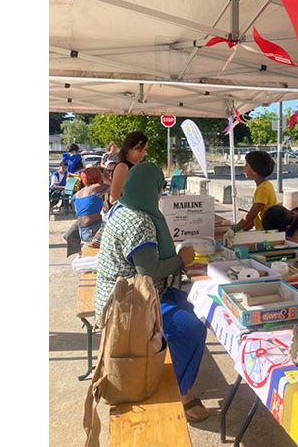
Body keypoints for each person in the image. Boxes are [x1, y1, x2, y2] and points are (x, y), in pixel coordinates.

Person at [94, 161, 209, 423]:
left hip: (121, 293)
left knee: (196, 306)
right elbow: (148, 272)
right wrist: (181, 260)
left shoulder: (122, 207)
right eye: (159, 189)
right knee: (192, 329)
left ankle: (179, 378)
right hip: (129, 303)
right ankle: (182, 393)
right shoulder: (140, 220)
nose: (159, 195)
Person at [63, 167, 109, 257]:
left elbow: (84, 209)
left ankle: (80, 255)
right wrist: (105, 177)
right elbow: (111, 185)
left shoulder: (78, 193)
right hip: (92, 229)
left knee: (69, 236)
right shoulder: (95, 188)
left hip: (81, 229)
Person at [234, 151, 276, 231]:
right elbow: (258, 214)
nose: (244, 168)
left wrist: (235, 229)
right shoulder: (264, 185)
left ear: (255, 170)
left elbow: (252, 214)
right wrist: (248, 225)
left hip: (265, 232)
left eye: (246, 165)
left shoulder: (263, 188)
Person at [108, 131, 149, 206]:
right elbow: (114, 198)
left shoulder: (139, 166)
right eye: (139, 149)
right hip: (126, 210)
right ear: (128, 148)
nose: (143, 153)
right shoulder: (123, 167)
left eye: (145, 149)